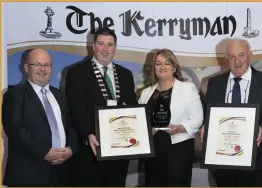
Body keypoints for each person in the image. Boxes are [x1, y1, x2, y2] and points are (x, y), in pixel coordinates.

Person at [200, 38, 262, 187]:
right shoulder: (215, 83)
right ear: (226, 59)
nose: (237, 61)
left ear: (250, 55)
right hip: (223, 163)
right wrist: (206, 125)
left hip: (258, 162)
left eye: (241, 55)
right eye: (231, 56)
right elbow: (209, 115)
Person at [65, 27, 138, 186]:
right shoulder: (76, 72)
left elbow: (133, 108)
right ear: (93, 46)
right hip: (91, 151)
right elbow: (76, 109)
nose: (105, 49)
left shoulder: (126, 75)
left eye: (110, 44)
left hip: (119, 151)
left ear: (115, 47)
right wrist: (88, 133)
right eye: (101, 44)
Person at [2, 48, 77, 186]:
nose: (43, 69)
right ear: (26, 68)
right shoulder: (14, 95)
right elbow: (16, 130)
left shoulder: (60, 96)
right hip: (28, 174)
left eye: (47, 65)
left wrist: (71, 149)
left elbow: (70, 126)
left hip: (61, 174)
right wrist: (45, 152)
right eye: (37, 64)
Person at [138, 49, 204, 186]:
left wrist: (180, 128)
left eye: (167, 63)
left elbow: (198, 119)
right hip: (153, 153)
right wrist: (146, 130)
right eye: (158, 63)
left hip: (178, 152)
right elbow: (138, 122)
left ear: (174, 67)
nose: (162, 67)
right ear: (154, 68)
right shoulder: (145, 93)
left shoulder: (187, 88)